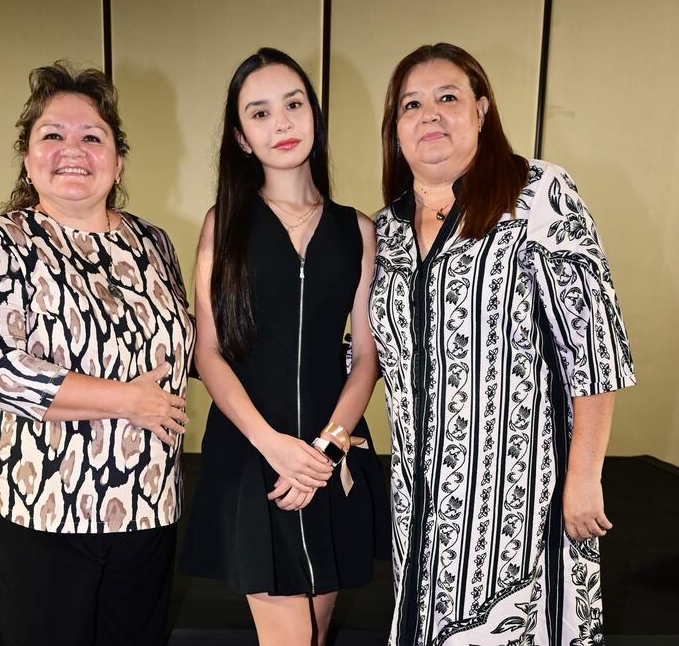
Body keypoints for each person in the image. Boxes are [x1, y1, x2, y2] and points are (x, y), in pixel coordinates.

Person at [370, 43, 635, 645]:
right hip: (418, 506)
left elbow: (595, 345)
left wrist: (585, 475)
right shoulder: (383, 231)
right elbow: (369, 356)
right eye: (411, 104)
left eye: (448, 98)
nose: (429, 114)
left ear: (482, 110)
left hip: (522, 505)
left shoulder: (538, 195)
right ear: (396, 128)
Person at [0, 62, 195, 646]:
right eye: (52, 135)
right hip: (38, 508)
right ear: (29, 158)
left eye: (92, 136)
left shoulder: (152, 241)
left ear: (118, 158)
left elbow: (188, 345)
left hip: (147, 502)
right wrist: (129, 401)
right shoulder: (0, 240)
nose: (72, 149)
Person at [181, 48, 390, 646]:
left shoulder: (358, 230)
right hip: (254, 458)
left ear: (314, 117)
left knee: (317, 633)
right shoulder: (223, 224)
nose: (282, 124)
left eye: (294, 105)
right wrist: (273, 446)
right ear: (242, 138)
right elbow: (209, 353)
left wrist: (322, 450)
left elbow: (366, 356)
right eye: (261, 113)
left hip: (333, 457)